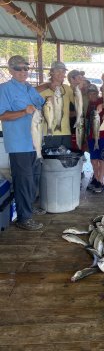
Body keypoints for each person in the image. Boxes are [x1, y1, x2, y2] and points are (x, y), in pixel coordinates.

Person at [0, 55, 45, 230]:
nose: (23, 71)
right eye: (18, 68)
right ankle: (24, 218)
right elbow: (1, 115)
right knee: (23, 180)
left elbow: (41, 104)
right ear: (10, 70)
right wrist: (23, 111)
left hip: (34, 142)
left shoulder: (29, 88)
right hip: (19, 144)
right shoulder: (4, 89)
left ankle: (28, 207)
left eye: (26, 68)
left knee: (33, 179)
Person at [37, 61, 74, 149]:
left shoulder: (67, 88)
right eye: (58, 71)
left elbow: (77, 103)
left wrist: (77, 86)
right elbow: (35, 107)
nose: (61, 73)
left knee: (65, 161)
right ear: (52, 72)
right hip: (49, 133)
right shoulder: (42, 87)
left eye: (63, 71)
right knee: (50, 161)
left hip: (66, 132)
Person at [85, 84, 104, 193]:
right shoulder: (88, 104)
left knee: (102, 159)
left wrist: (103, 105)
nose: (92, 95)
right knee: (93, 159)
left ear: (97, 93)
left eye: (94, 93)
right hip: (91, 136)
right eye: (89, 93)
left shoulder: (102, 100)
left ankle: (100, 181)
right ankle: (96, 177)